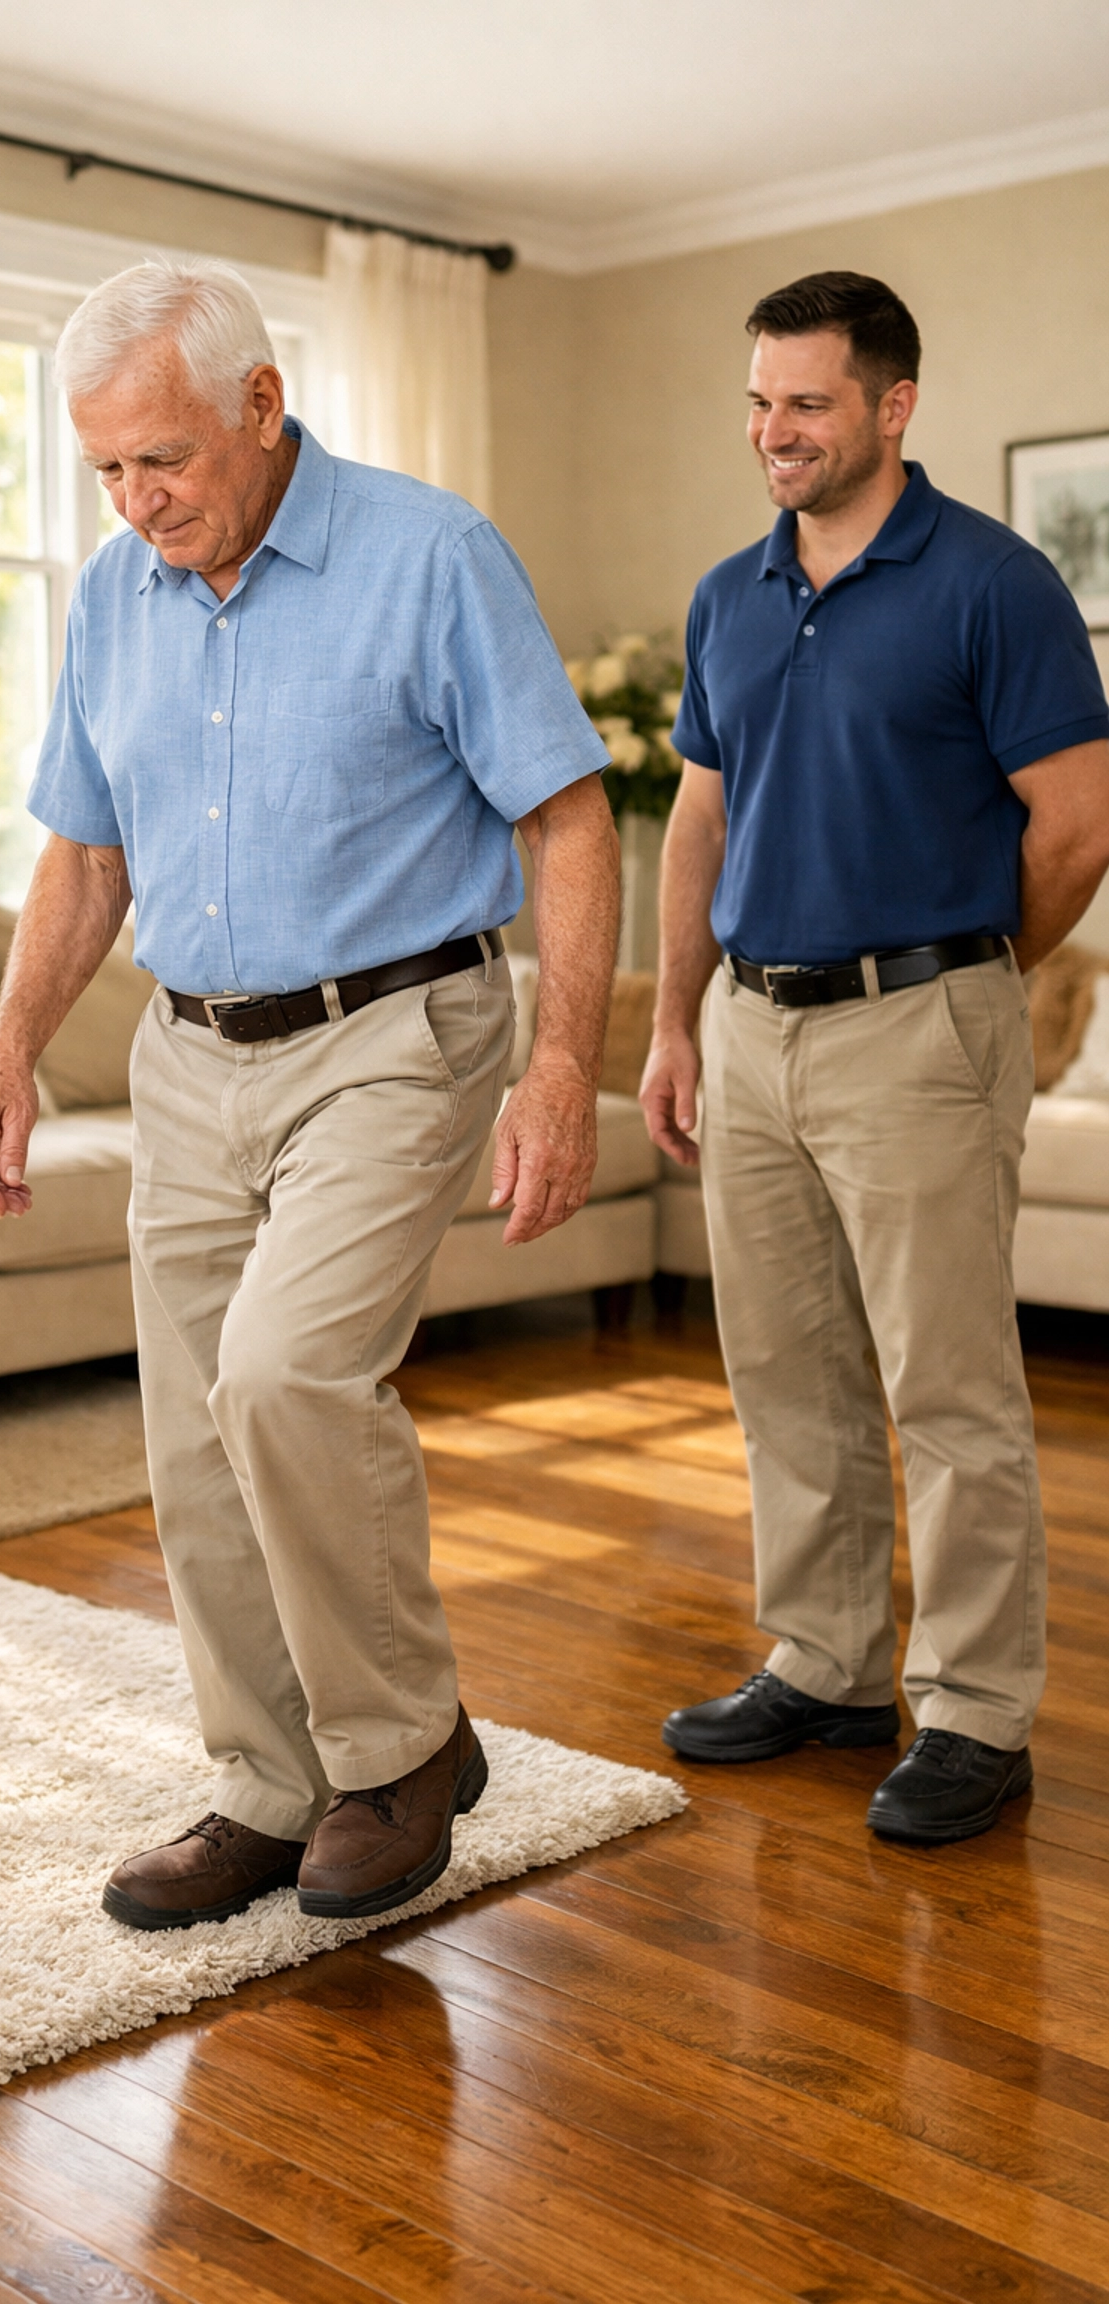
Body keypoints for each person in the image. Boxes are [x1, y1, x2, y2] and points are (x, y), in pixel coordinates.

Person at [0, 258, 619, 1926]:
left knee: (286, 1372)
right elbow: (84, 856)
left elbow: (566, 819)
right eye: (108, 468)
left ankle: (400, 1750)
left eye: (163, 458)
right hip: (189, 1053)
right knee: (192, 1431)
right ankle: (268, 1781)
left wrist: (563, 1066)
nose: (138, 499)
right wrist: (7, 1053)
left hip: (395, 1030)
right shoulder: (117, 596)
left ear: (261, 405)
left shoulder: (430, 557)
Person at [640, 270, 1109, 1846]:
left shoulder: (994, 584)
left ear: (894, 406)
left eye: (808, 403)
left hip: (919, 1020)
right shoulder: (730, 595)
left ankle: (974, 1709)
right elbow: (700, 820)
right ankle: (827, 1664)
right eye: (759, 402)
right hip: (749, 1026)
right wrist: (672, 1020)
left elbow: (1077, 824)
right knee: (786, 1372)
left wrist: (968, 982)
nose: (773, 431)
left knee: (948, 1387)